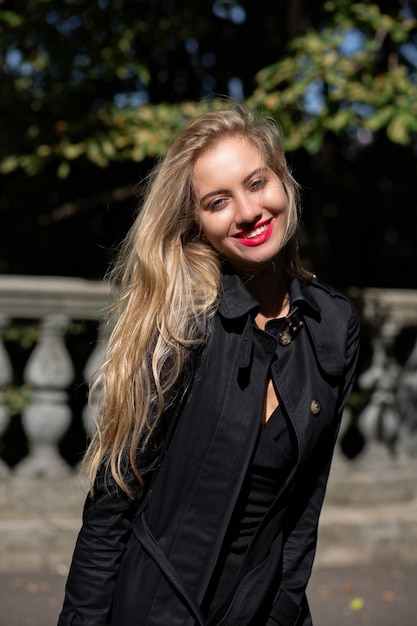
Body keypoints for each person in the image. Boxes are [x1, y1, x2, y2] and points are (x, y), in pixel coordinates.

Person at [58, 100, 360, 626]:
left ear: (283, 181)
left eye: (257, 182)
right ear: (196, 222)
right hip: (157, 611)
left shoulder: (333, 325)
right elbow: (112, 508)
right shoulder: (182, 323)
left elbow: (304, 507)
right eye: (218, 201)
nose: (247, 212)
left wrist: (285, 608)